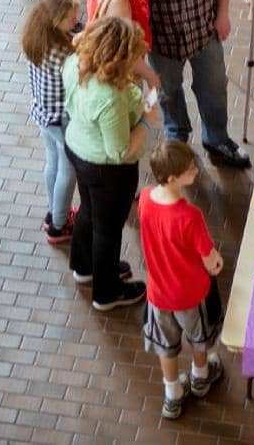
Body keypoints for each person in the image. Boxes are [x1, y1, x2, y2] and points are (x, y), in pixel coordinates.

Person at [120, 0, 250, 167]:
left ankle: (216, 139)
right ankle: (177, 139)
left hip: (203, 31)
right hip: (162, 41)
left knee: (214, 88)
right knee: (168, 92)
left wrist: (222, 13)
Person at [62, 18, 153, 311]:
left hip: (77, 147)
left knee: (88, 210)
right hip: (106, 168)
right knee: (109, 228)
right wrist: (148, 121)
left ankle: (83, 266)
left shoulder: (77, 62)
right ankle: (107, 292)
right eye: (135, 56)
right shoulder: (112, 96)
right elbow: (120, 151)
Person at [139, 141, 226, 419]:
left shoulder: (145, 198)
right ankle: (201, 377)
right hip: (190, 294)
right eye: (190, 169)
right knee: (199, 339)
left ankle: (172, 394)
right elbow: (209, 258)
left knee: (167, 345)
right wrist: (217, 263)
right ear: (173, 178)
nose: (196, 170)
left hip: (158, 293)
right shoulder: (190, 216)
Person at [21, 0, 80, 245]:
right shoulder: (62, 54)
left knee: (53, 163)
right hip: (62, 118)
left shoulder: (36, 39)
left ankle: (54, 210)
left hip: (44, 114)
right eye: (72, 19)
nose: (76, 23)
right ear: (57, 22)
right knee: (69, 169)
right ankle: (59, 224)